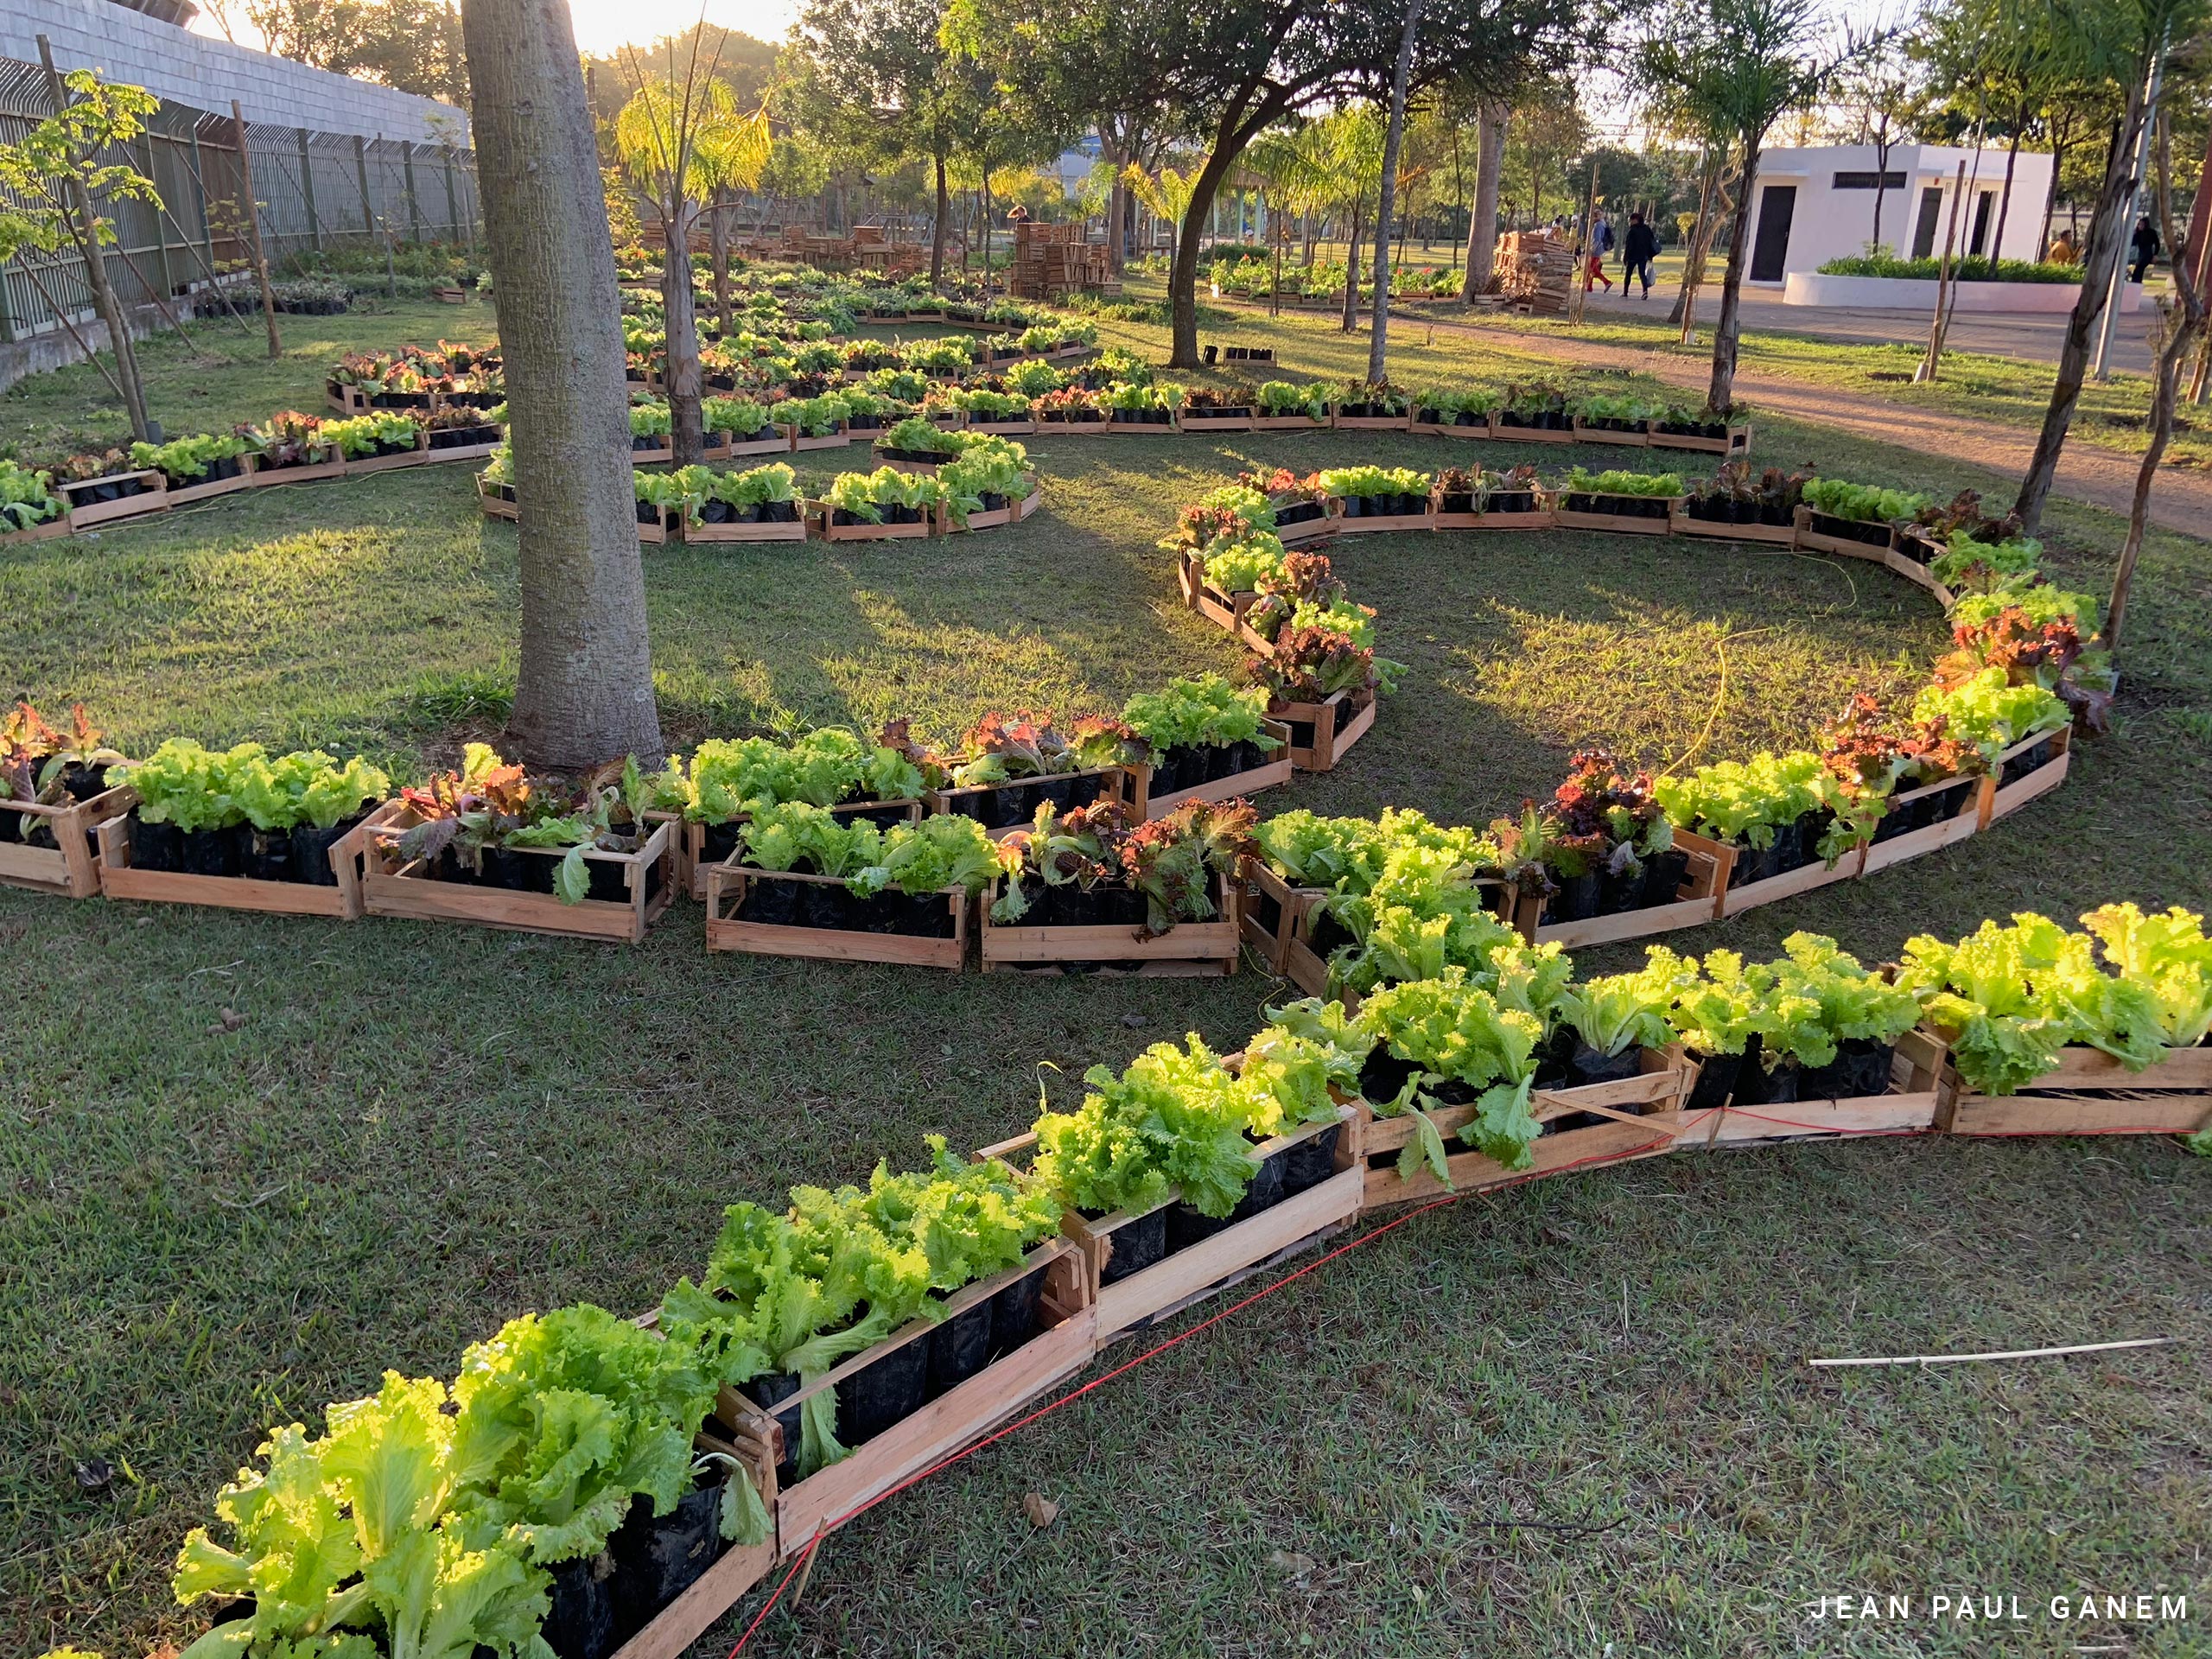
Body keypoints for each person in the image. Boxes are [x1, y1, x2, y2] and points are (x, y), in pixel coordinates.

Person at [1622, 209, 1660, 299]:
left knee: (1628, 274)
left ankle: (1625, 291)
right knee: (1642, 274)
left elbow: (1629, 245)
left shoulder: (1632, 231)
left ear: (1635, 220)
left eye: (1630, 220)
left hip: (1633, 256)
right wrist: (1650, 255)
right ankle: (1645, 291)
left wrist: (1626, 257)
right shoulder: (1647, 229)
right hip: (1644, 255)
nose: (1629, 222)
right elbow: (1651, 241)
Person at [1584, 211, 1614, 292]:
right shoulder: (1603, 224)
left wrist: (1591, 250)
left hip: (1596, 250)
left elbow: (1597, 240)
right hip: (1599, 250)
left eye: (1592, 217)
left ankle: (1606, 282)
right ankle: (1589, 286)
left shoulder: (1598, 225)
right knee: (1591, 268)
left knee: (1591, 269)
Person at [2130, 214, 2159, 283]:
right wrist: (2134, 234)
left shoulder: (2151, 232)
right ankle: (2135, 284)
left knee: (2138, 270)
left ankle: (2136, 284)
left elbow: (2157, 244)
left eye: (2141, 224)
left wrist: (2155, 254)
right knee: (2137, 271)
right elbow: (2133, 243)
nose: (2140, 226)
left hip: (2147, 255)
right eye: (2139, 224)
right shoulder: (2138, 233)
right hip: (2141, 254)